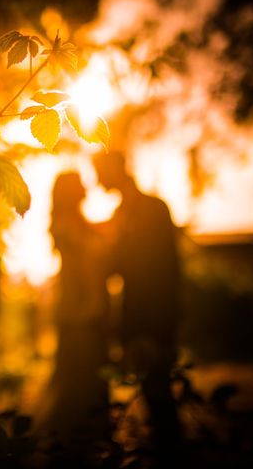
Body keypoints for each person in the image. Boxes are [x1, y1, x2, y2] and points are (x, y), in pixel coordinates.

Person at [92, 150, 182, 454]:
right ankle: (165, 450)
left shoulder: (154, 209)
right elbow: (116, 268)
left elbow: (168, 268)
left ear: (116, 170)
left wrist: (163, 323)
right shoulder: (122, 214)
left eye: (100, 172)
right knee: (152, 391)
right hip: (136, 317)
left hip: (154, 317)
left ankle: (172, 452)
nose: (97, 181)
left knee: (159, 393)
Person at [36, 171, 111, 443]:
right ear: (68, 191)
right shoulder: (66, 227)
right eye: (78, 182)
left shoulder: (79, 225)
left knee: (86, 381)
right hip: (80, 314)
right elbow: (87, 266)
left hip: (90, 313)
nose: (85, 185)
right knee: (76, 384)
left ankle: (81, 440)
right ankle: (67, 441)